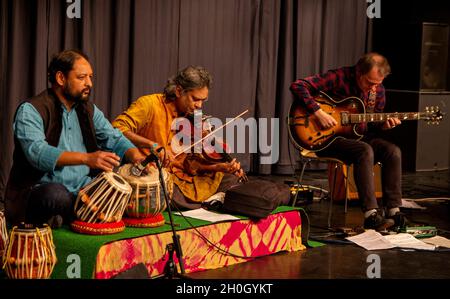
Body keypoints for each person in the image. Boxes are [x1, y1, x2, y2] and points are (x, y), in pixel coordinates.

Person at [4, 49, 146, 228]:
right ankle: (86, 213)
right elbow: (37, 153)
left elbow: (114, 137)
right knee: (56, 195)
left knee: (122, 184)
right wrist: (87, 159)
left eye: (91, 77)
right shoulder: (31, 110)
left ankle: (81, 212)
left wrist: (136, 155)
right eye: (81, 77)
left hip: (83, 190)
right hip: (38, 191)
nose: (89, 83)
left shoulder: (87, 110)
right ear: (61, 78)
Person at [290, 52, 407, 231]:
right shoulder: (339, 77)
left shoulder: (377, 90)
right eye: (369, 82)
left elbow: (369, 126)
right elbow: (298, 86)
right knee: (364, 150)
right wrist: (318, 113)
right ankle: (371, 215)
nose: (372, 88)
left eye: (377, 84)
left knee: (393, 151)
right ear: (359, 72)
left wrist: (384, 126)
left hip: (357, 139)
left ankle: (393, 210)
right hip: (326, 140)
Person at [112, 66, 245, 210]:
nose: (199, 106)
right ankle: (210, 202)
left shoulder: (194, 118)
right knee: (164, 192)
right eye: (195, 99)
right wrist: (152, 145)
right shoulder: (149, 104)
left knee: (230, 179)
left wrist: (219, 167)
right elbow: (117, 128)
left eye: (203, 101)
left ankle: (207, 201)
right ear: (179, 91)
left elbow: (192, 167)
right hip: (154, 175)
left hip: (182, 179)